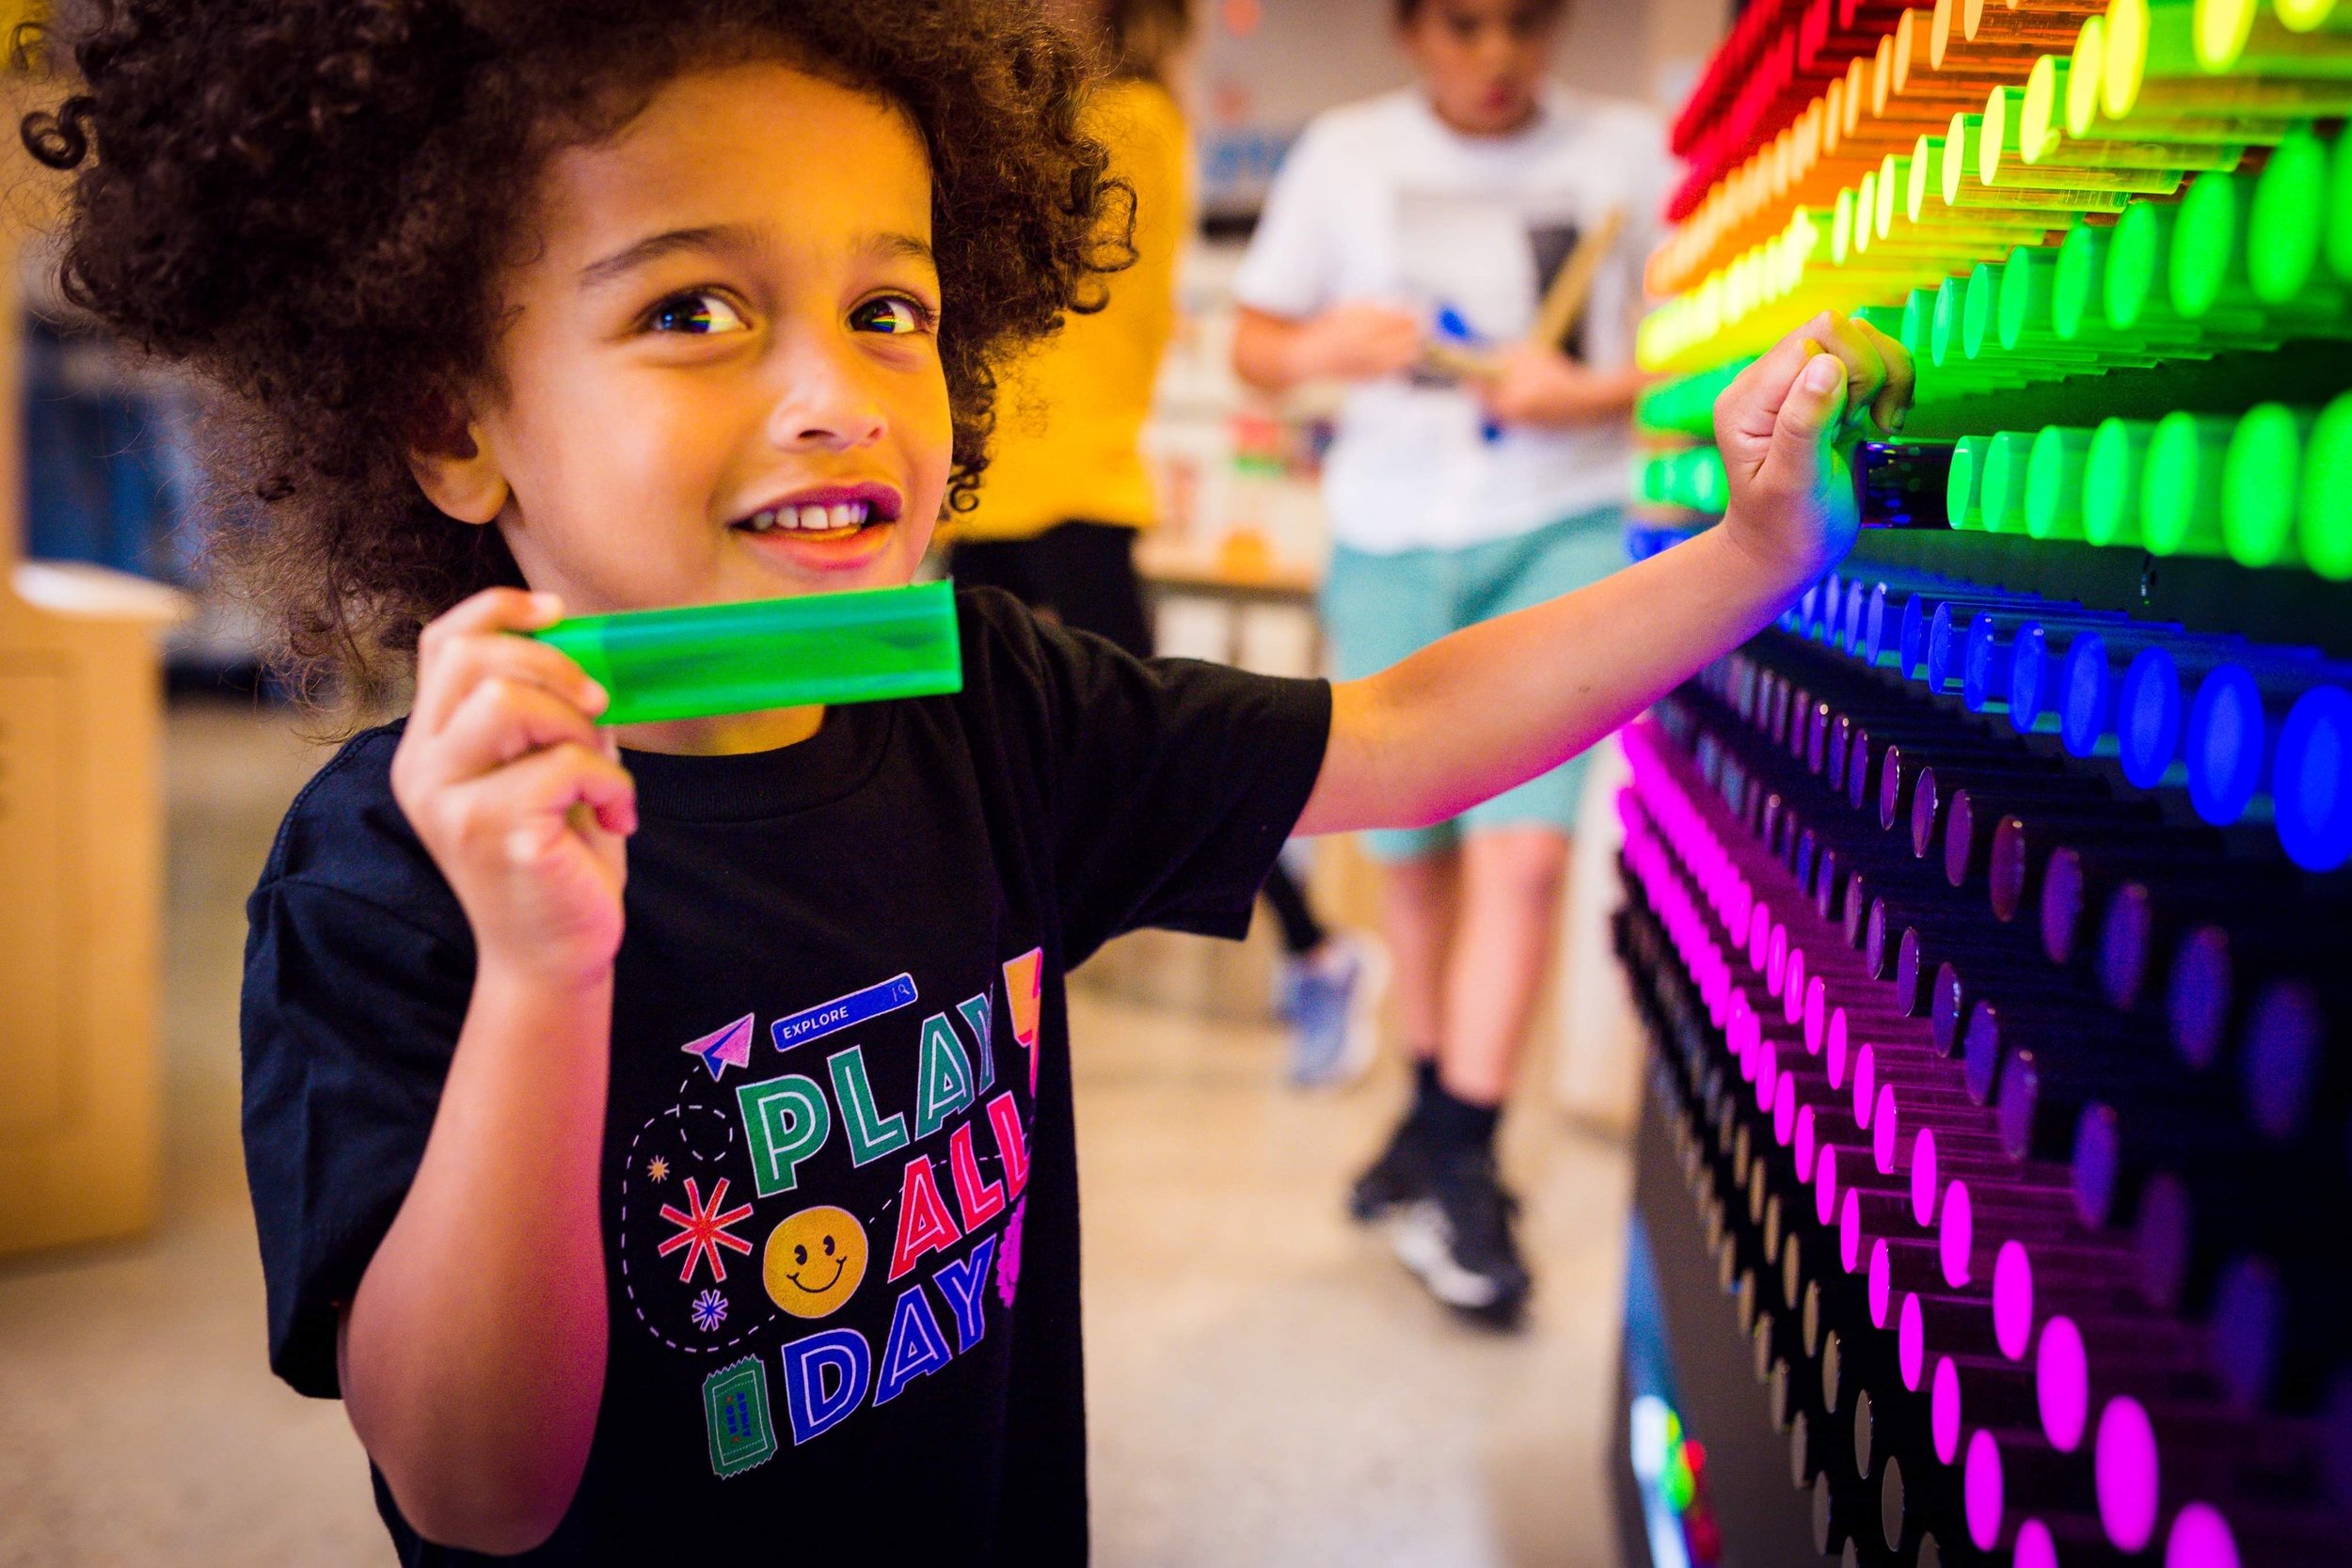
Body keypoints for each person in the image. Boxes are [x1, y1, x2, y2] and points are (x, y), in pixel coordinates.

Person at [23, 0, 1904, 1557]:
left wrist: (1738, 559)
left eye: (890, 307)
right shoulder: (383, 870)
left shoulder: (996, 709)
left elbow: (1403, 736)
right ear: (451, 417)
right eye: (691, 308)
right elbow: (474, 1477)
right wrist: (539, 974)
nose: (838, 390)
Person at [1230, 0, 1673, 1323]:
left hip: (1563, 528)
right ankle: (1431, 1117)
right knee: (1409, 863)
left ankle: (1465, 1156)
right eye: (1465, 26)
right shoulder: (1346, 152)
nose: (1495, 57)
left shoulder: (1632, 152)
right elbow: (1256, 340)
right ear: (1413, 31)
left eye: (1524, 26)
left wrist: (1587, 393)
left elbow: (1698, 349)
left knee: (1524, 851)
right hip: (1385, 538)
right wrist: (1322, 351)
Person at [953, 0, 1386, 1090]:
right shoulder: (1031, 105)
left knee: (1152, 735)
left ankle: (1322, 949)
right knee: (962, 741)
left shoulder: (1129, 115)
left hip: (1066, 474)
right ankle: (971, 978)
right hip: (983, 486)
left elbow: (1066, 295)